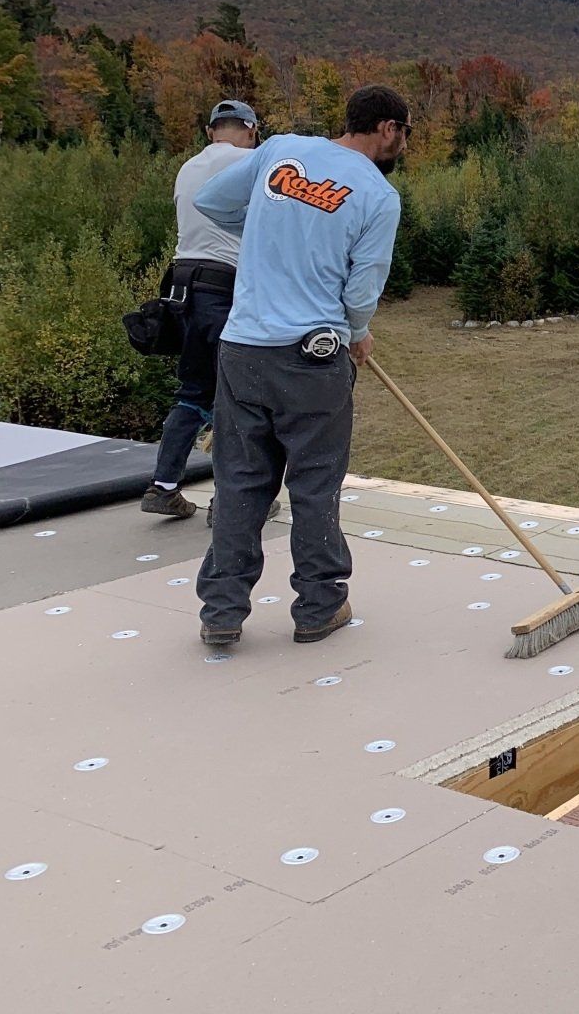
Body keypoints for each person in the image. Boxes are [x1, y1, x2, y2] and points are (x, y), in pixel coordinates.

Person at [190, 85, 409, 647]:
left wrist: (273, 233)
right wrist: (358, 334)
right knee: (314, 483)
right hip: (313, 359)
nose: (403, 145)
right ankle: (318, 608)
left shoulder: (279, 151)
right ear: (386, 129)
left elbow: (212, 202)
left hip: (242, 352)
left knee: (239, 480)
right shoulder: (378, 195)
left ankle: (221, 611)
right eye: (404, 134)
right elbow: (362, 291)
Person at [140, 100, 260, 519]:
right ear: (251, 130)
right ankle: (228, 502)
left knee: (193, 391)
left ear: (211, 131)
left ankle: (164, 486)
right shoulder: (252, 163)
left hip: (181, 288)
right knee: (236, 396)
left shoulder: (187, 168)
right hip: (222, 288)